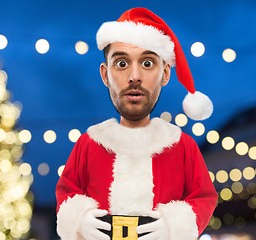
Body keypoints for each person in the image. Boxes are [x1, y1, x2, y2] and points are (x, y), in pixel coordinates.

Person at [56, 7, 217, 240]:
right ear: (105, 74)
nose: (134, 76)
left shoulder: (183, 146)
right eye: (121, 64)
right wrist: (79, 221)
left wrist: (174, 227)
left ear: (165, 74)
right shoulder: (88, 144)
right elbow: (67, 192)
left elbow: (204, 198)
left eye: (148, 63)